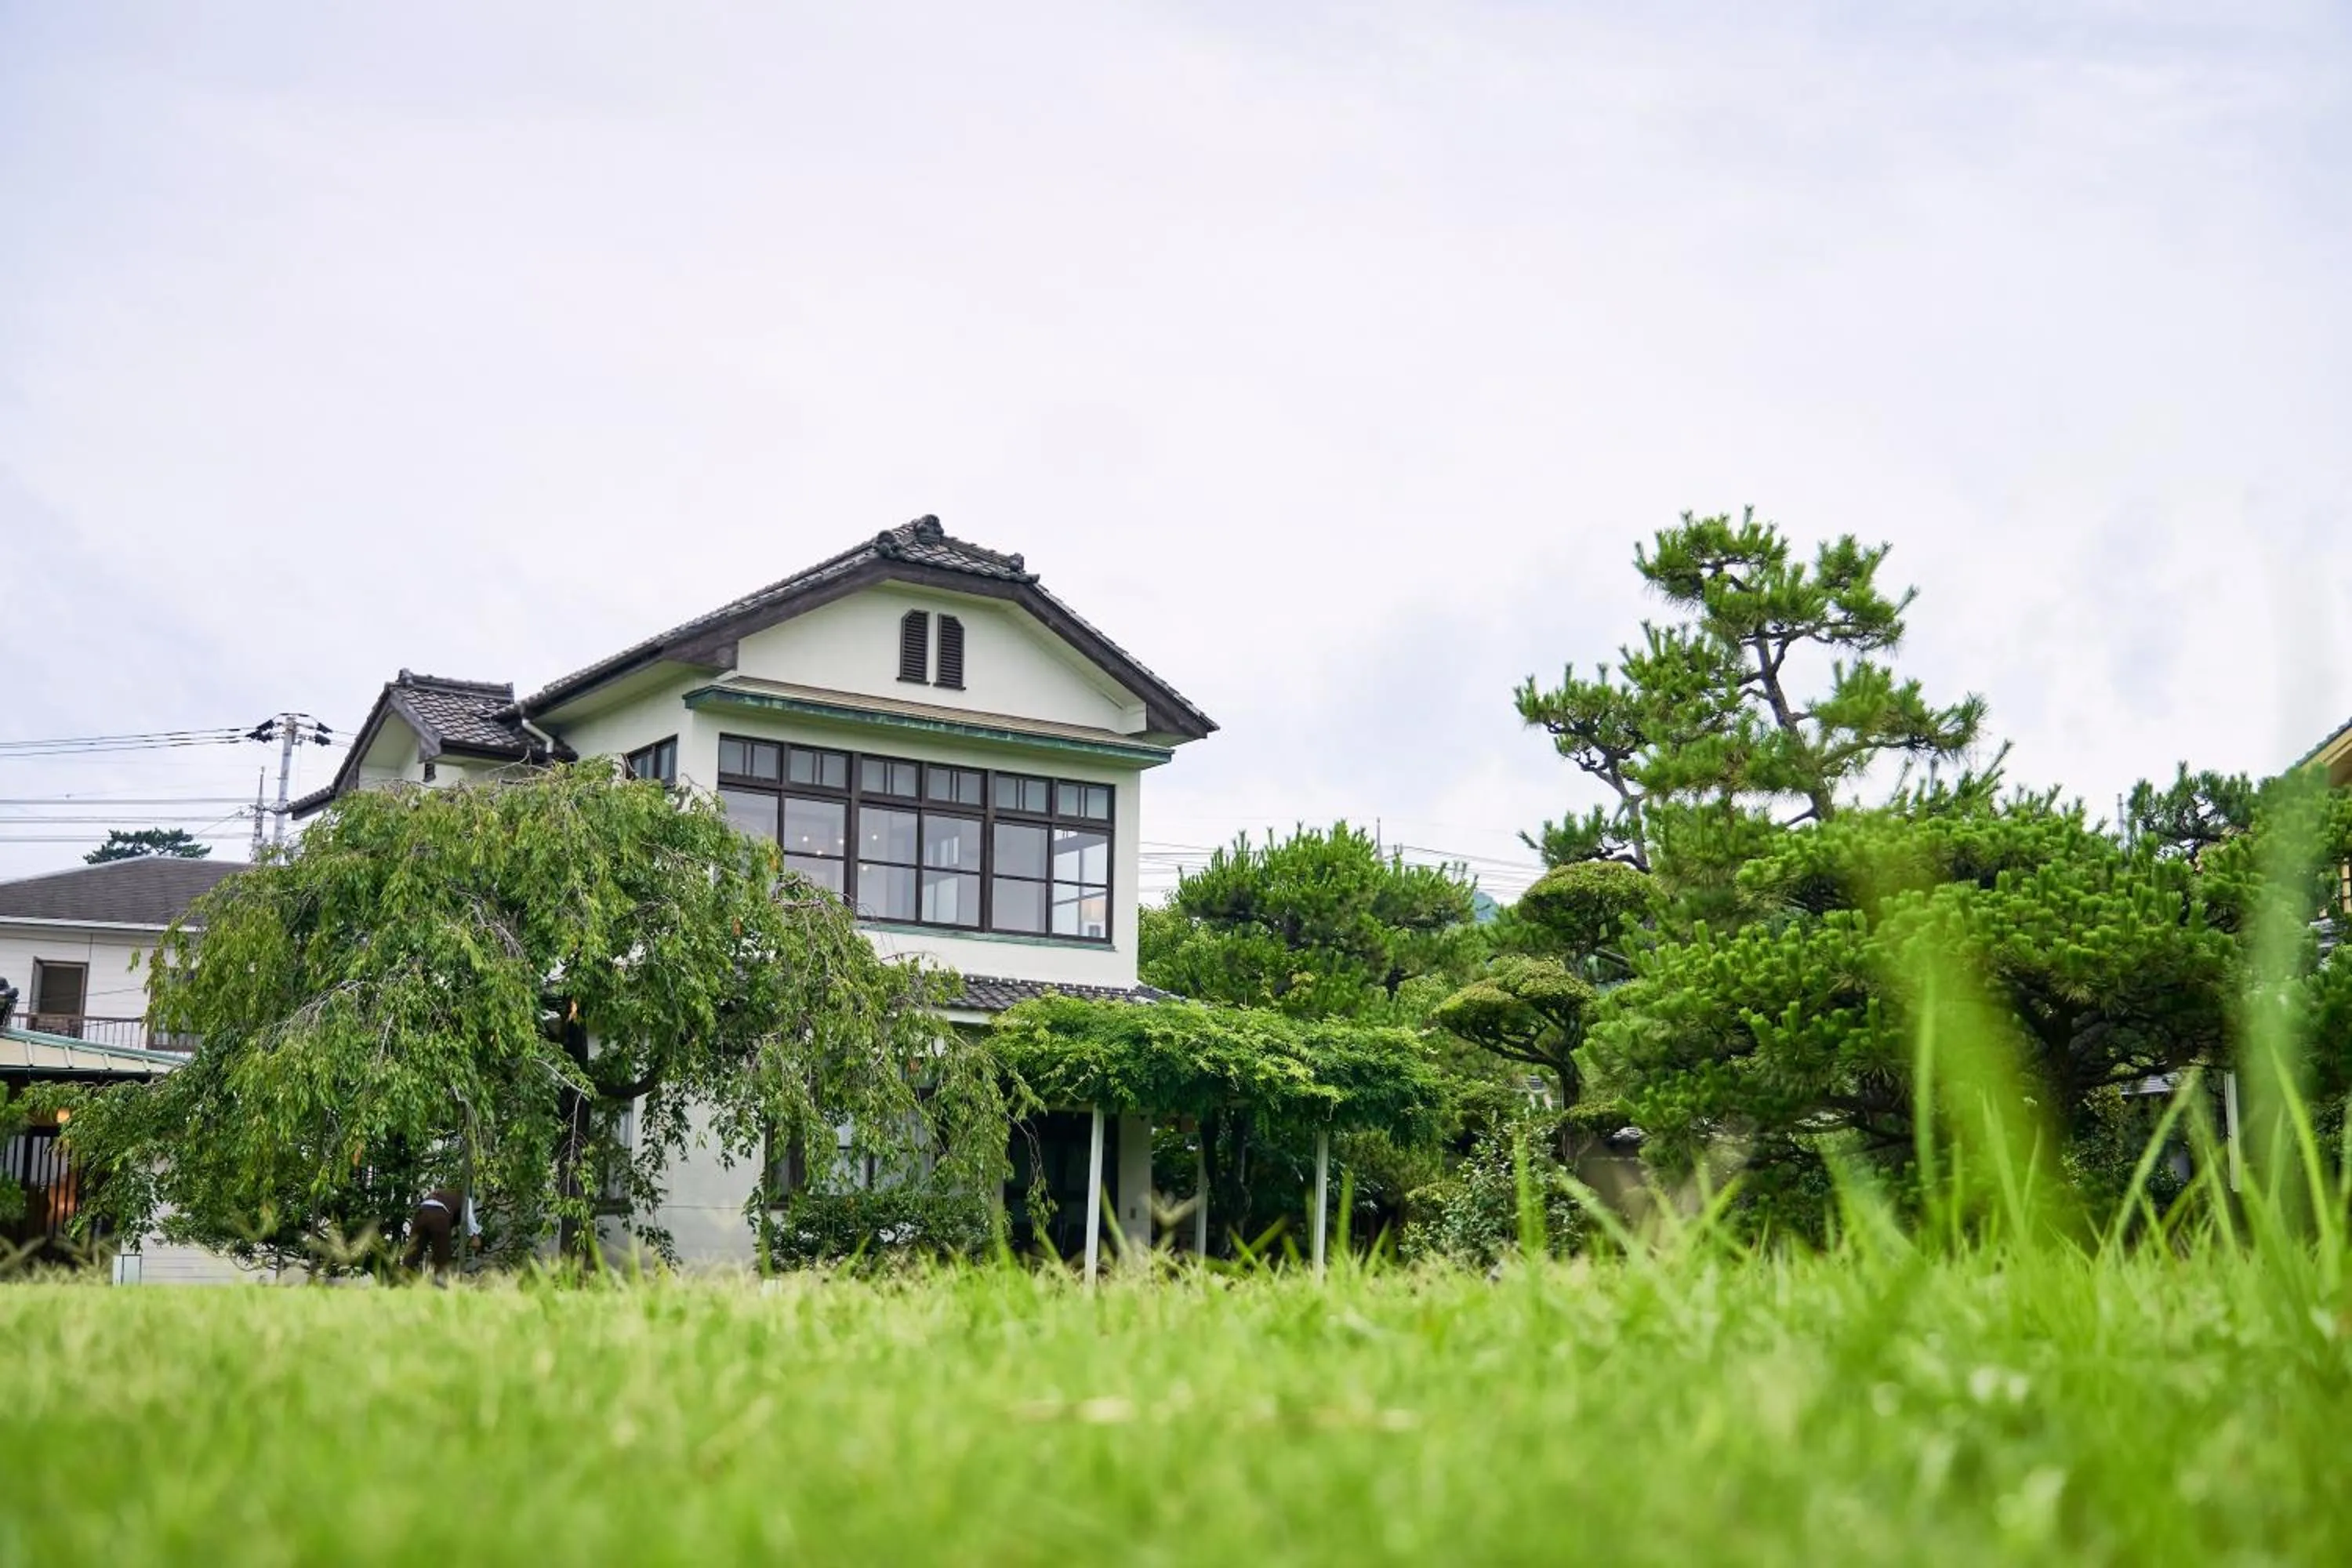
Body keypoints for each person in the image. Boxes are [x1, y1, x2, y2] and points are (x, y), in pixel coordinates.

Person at [400, 1186, 479, 1283]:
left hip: (421, 1214)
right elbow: (469, 1217)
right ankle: (440, 1284)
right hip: (439, 1217)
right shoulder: (465, 1198)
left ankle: (401, 1280)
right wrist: (474, 1236)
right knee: (442, 1256)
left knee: (413, 1252)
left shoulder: (441, 1194)